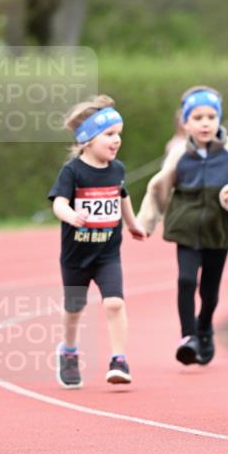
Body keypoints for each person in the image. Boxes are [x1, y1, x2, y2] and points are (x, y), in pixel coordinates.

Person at [138, 86, 228, 365]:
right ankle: (188, 337)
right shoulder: (179, 152)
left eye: (210, 117)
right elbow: (158, 187)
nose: (205, 123)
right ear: (185, 123)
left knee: (209, 290)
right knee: (186, 280)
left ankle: (204, 326)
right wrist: (146, 222)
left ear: (219, 119)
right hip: (185, 226)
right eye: (197, 118)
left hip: (219, 228)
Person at [48, 94, 146, 389]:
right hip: (76, 256)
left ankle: (119, 359)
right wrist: (70, 215)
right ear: (88, 140)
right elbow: (58, 202)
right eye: (109, 134)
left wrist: (133, 224)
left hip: (107, 254)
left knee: (114, 303)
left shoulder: (117, 169)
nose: (117, 140)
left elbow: (122, 196)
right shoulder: (73, 171)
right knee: (74, 308)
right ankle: (68, 350)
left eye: (119, 134)